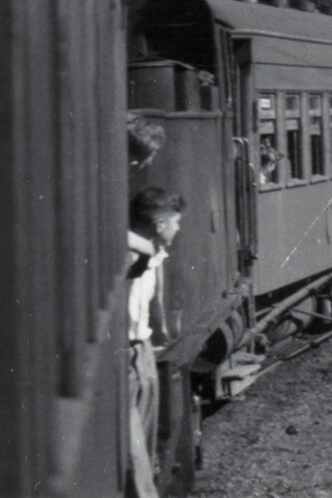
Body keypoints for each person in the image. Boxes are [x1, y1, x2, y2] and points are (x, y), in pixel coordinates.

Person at [128, 187, 184, 498]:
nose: (179, 228)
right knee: (133, 450)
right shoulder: (132, 253)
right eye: (176, 221)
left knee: (145, 446)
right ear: (160, 224)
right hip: (125, 352)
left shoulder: (154, 252)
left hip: (144, 349)